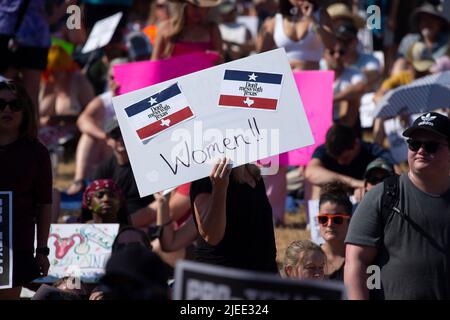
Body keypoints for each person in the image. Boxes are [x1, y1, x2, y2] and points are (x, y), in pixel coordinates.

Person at [345, 112, 450, 300]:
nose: (421, 150)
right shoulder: (382, 196)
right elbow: (356, 262)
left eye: (431, 146)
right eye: (414, 143)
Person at [0, 80, 52, 299]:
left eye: (15, 104)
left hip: (16, 247)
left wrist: (42, 249)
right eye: (0, 104)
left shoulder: (36, 152)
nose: (7, 109)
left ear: (26, 110)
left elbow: (44, 204)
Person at [190, 158, 278, 273]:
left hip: (261, 279)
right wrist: (219, 188)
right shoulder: (205, 178)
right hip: (223, 280)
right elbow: (211, 236)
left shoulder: (254, 174)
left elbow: (264, 241)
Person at [66, 58, 127, 195]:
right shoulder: (104, 100)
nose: (115, 82)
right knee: (89, 135)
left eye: (120, 77)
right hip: (110, 151)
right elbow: (82, 120)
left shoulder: (139, 98)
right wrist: (105, 136)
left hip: (129, 153)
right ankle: (79, 180)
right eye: (112, 77)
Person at [93, 119, 157, 227]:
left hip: (146, 223)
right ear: (108, 139)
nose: (121, 139)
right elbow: (95, 204)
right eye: (115, 135)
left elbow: (160, 202)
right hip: (113, 222)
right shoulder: (103, 169)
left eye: (125, 133)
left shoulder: (149, 164)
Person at [305, 124, 395, 200]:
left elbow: (394, 174)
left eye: (345, 157)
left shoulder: (373, 152)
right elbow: (310, 173)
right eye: (336, 158)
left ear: (356, 144)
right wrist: (356, 183)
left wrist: (369, 188)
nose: (340, 162)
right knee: (315, 184)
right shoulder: (323, 150)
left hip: (367, 200)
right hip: (335, 202)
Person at [38, 44, 95, 149]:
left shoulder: (79, 81)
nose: (55, 74)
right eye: (52, 70)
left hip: (72, 139)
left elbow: (93, 114)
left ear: (67, 67)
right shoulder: (46, 83)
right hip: (45, 137)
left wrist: (57, 119)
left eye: (59, 70)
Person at [257, 0, 335, 71]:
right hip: (285, 80)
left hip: (312, 78)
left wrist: (313, 19)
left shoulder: (320, 15)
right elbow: (261, 53)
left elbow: (331, 45)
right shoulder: (276, 20)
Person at [151, 0, 223, 60]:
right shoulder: (165, 27)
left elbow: (221, 61)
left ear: (208, 9)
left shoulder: (212, 29)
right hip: (173, 76)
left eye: (203, 7)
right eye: (194, 6)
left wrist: (214, 57)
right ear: (185, 5)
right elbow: (154, 62)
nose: (199, 11)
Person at [323, 34, 367, 130]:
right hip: (322, 120)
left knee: (352, 97)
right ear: (324, 55)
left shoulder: (354, 73)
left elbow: (360, 87)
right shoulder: (318, 73)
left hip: (346, 123)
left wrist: (331, 100)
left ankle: (341, 132)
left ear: (346, 54)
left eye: (341, 52)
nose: (337, 56)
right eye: (332, 52)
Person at [392, 2, 448, 75]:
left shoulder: (447, 42)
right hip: (411, 81)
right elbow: (399, 64)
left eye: (431, 19)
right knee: (400, 63)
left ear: (440, 23)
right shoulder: (409, 40)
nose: (427, 23)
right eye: (423, 19)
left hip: (441, 81)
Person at [317, 181, 352, 281]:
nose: (330, 224)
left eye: (337, 219)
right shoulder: (307, 258)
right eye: (323, 218)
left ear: (349, 220)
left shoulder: (359, 260)